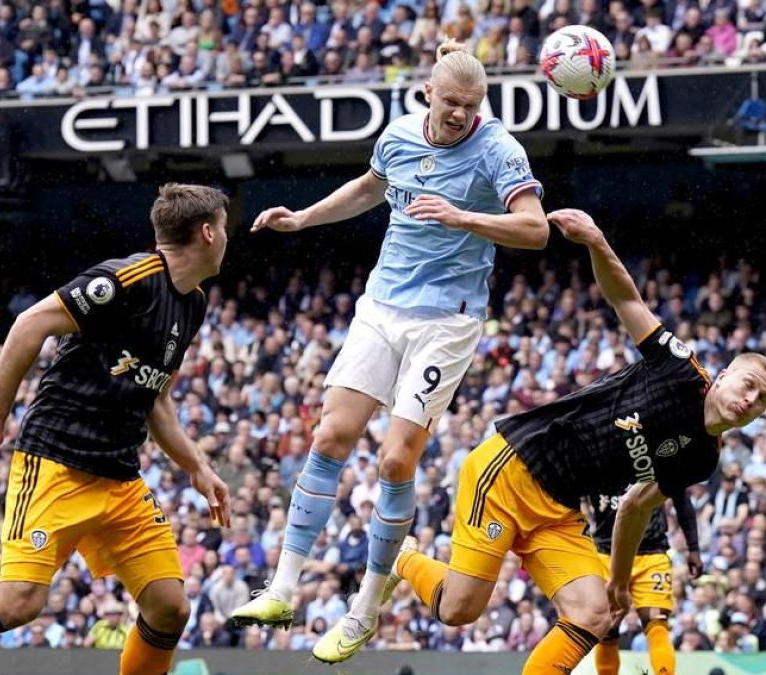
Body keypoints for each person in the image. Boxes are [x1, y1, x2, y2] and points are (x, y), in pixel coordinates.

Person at [229, 38, 549, 664]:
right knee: (330, 437)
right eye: (450, 103)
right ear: (427, 93)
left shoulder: (498, 151)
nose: (459, 115)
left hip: (447, 321)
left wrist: (465, 218)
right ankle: (284, 588)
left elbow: (536, 230)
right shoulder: (400, 135)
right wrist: (303, 219)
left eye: (471, 105)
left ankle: (364, 609)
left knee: (397, 461)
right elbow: (369, 187)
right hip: (381, 306)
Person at [0, 184, 234, 675]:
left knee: (170, 607)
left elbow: (156, 399)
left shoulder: (193, 304)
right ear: (207, 233)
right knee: (18, 605)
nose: (228, 237)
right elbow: (29, 324)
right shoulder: (128, 278)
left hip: (119, 478)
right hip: (57, 463)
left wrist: (197, 468)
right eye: (225, 227)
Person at [387, 208, 766, 674]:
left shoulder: (701, 459)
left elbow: (636, 507)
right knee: (459, 610)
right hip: (515, 466)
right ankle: (405, 557)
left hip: (560, 508)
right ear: (723, 376)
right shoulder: (679, 371)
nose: (750, 399)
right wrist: (596, 241)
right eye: (748, 384)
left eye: (763, 400)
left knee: (594, 612)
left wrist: (617, 582)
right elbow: (627, 301)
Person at [586, 494, 703, 675]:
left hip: (651, 552)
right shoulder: (592, 465)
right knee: (607, 626)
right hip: (606, 552)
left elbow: (682, 498)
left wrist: (693, 547)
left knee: (656, 622)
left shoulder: (659, 464)